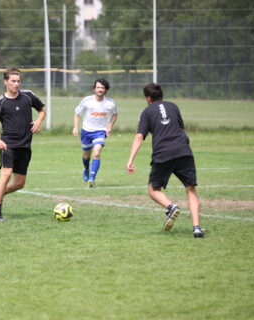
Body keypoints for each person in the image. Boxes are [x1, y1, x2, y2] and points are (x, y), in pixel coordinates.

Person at [126, 83, 203, 238]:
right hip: (183, 150)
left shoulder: (146, 112)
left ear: (148, 98)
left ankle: (171, 207)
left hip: (163, 154)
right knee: (190, 189)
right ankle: (196, 228)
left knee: (153, 190)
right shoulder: (173, 106)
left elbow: (140, 136)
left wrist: (130, 159)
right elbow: (182, 130)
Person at [0, 68, 46, 222]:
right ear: (6, 82)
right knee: (6, 173)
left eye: (18, 81)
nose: (16, 84)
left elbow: (42, 110)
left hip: (25, 145)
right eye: (13, 81)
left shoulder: (28, 96)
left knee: (19, 183)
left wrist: (38, 121)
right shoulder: (0, 102)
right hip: (8, 144)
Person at [73, 78, 117, 187]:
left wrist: (110, 125)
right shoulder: (87, 101)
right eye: (98, 87)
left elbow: (115, 114)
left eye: (102, 87)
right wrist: (75, 127)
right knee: (86, 155)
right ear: (94, 88)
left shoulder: (110, 103)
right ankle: (86, 169)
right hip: (86, 131)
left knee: (96, 153)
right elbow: (77, 114)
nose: (100, 89)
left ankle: (92, 178)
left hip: (100, 132)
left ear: (105, 89)